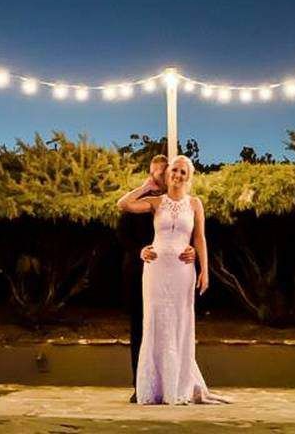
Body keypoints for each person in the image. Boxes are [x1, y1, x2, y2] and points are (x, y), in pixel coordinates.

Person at [117, 154, 226, 405]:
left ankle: (177, 384)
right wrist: (146, 187)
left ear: (189, 177)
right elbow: (123, 204)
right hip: (155, 271)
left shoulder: (196, 204)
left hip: (182, 271)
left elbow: (200, 238)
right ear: (168, 174)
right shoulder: (155, 202)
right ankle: (151, 386)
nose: (177, 175)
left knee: (180, 322)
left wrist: (204, 269)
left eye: (182, 172)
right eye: (174, 171)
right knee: (154, 323)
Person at [116, 155, 174, 397]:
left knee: (167, 327)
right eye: (151, 173)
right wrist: (138, 251)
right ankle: (140, 385)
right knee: (140, 328)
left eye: (158, 174)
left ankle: (168, 382)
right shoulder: (139, 202)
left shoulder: (174, 201)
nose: (154, 178)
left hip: (168, 275)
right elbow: (122, 230)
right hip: (139, 272)